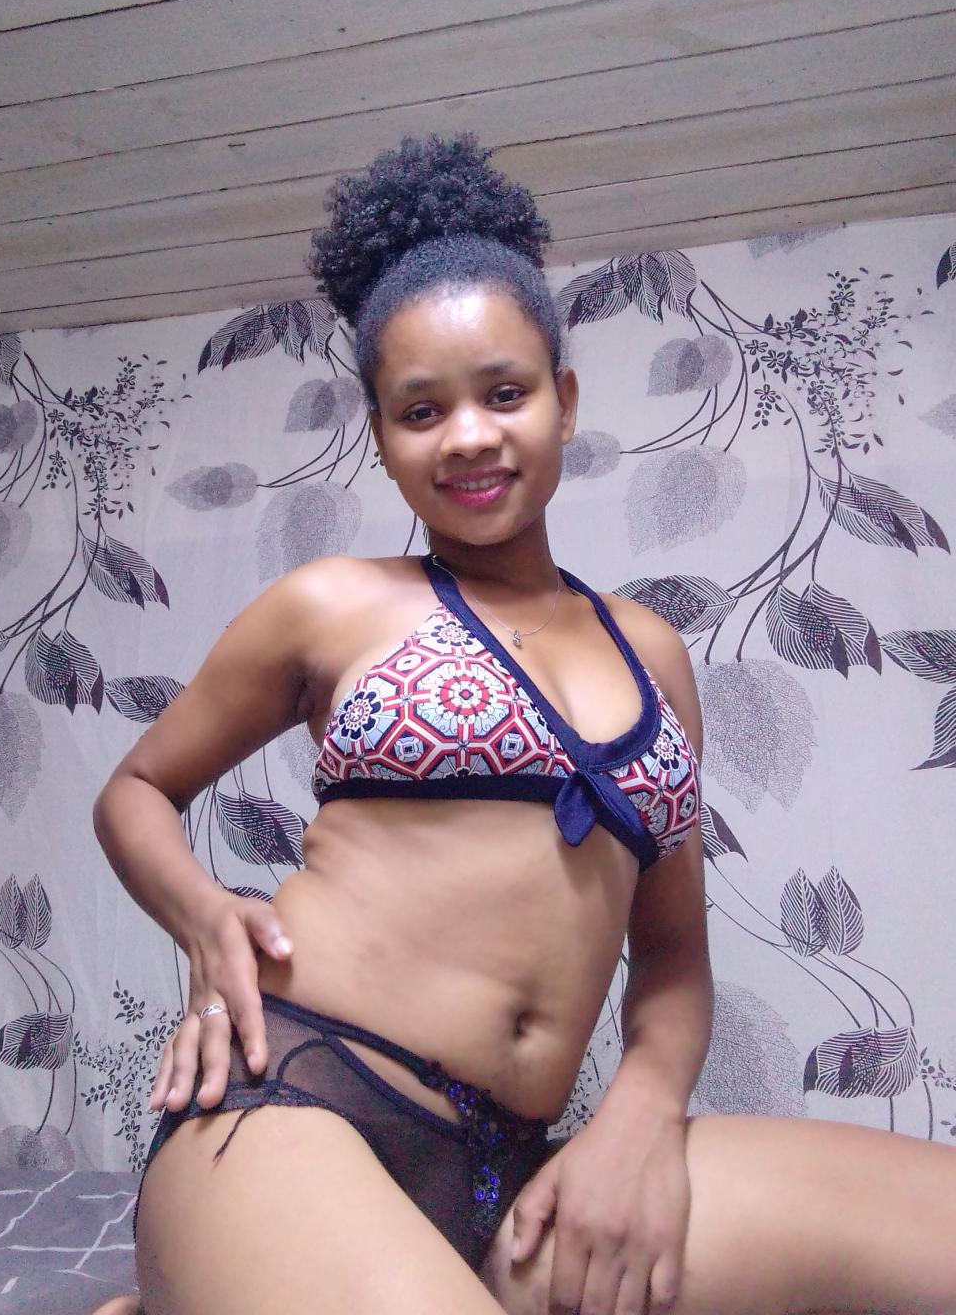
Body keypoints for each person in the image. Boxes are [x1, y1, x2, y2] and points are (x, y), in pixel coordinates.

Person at [91, 132, 956, 1315]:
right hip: (288, 1100)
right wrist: (204, 918)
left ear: (564, 399)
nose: (469, 435)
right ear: (381, 437)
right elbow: (135, 790)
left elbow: (673, 961)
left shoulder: (652, 655)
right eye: (421, 410)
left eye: (505, 393)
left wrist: (639, 1120)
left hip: (517, 1173)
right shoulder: (332, 605)